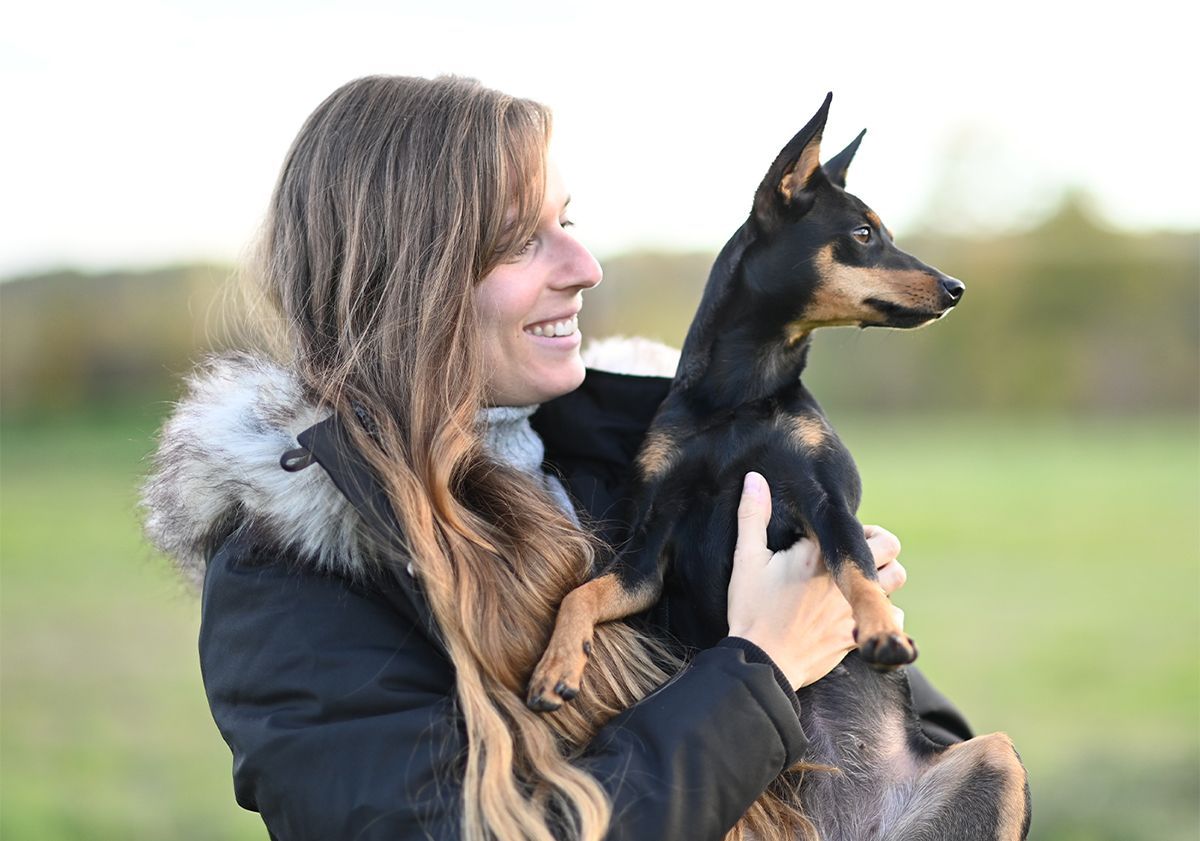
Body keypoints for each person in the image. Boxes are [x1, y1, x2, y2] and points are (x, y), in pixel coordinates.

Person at [142, 75, 969, 841]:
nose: (584, 267)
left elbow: (931, 750)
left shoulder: (638, 444)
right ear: (407, 280)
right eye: (517, 243)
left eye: (566, 222)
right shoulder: (289, 579)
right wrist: (764, 667)